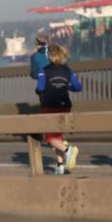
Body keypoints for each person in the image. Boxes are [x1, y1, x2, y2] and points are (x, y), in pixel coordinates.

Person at [36, 44, 83, 175]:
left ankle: (69, 150)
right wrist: (66, 87)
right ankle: (60, 165)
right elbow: (78, 87)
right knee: (57, 135)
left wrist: (42, 89)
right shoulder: (68, 70)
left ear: (49, 56)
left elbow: (40, 88)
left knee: (49, 137)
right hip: (65, 105)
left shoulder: (43, 70)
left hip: (50, 105)